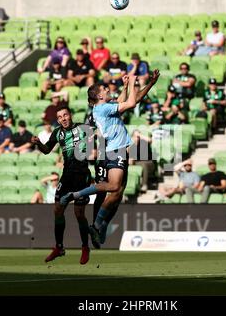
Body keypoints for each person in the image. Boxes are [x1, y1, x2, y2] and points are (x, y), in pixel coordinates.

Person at [61, 71, 160, 249]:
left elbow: (129, 100)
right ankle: (80, 201)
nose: (108, 90)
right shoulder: (103, 108)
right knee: (113, 187)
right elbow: (131, 102)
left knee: (117, 193)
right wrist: (131, 83)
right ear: (99, 95)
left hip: (116, 150)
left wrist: (148, 84)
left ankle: (100, 226)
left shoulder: (104, 107)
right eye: (105, 89)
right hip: (114, 151)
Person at [31, 107, 93, 265]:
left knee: (79, 213)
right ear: (58, 120)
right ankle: (59, 247)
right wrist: (38, 143)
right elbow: (46, 151)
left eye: (65, 115)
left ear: (70, 115)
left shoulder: (83, 128)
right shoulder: (57, 133)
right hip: (67, 176)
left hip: (82, 176)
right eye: (60, 117)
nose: (63, 118)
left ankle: (85, 247)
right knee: (58, 209)